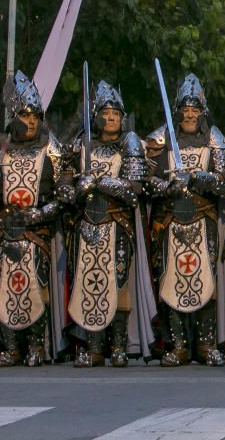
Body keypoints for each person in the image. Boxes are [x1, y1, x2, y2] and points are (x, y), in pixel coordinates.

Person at [65, 81, 153, 367]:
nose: (111, 117)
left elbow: (135, 188)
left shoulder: (130, 143)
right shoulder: (82, 143)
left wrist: (100, 182)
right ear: (97, 116)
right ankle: (93, 347)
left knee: (118, 283)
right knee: (88, 284)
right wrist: (79, 186)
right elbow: (64, 185)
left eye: (115, 113)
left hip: (117, 225)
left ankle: (117, 345)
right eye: (105, 112)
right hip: (86, 224)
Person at [146, 73, 225, 367]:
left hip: (203, 218)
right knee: (172, 281)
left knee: (205, 281)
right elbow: (148, 182)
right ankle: (179, 345)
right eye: (186, 109)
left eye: (195, 110)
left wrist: (196, 177)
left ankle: (206, 344)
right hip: (171, 222)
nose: (190, 114)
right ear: (179, 110)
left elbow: (224, 182)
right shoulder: (161, 138)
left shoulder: (214, 138)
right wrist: (170, 186)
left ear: (202, 112)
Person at [0, 72, 73, 366]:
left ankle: (35, 345)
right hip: (6, 232)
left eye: (35, 116)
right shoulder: (2, 149)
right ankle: (10, 347)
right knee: (5, 288)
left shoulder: (51, 149)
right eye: (25, 116)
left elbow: (65, 194)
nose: (31, 122)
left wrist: (41, 213)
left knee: (34, 286)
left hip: (38, 232)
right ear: (13, 116)